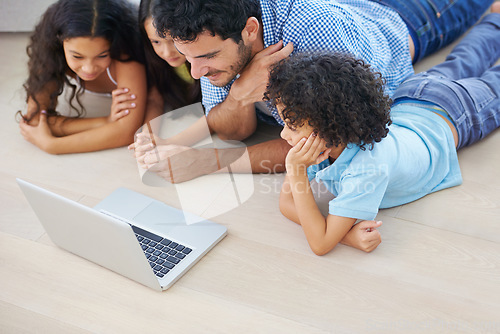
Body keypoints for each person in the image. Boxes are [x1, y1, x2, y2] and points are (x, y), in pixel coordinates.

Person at [131, 0, 493, 183]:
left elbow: (319, 146)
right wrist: (241, 93)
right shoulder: (211, 45)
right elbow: (234, 130)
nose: (196, 72)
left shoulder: (313, 39)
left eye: (207, 57)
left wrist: (206, 163)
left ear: (250, 30)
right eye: (188, 60)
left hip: (407, 19)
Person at [263, 8, 500, 255]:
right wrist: (345, 236)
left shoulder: (366, 168)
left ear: (328, 124)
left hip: (453, 112)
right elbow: (287, 204)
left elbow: (320, 243)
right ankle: (495, 18)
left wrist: (297, 172)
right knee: (466, 58)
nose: (283, 135)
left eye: (291, 125)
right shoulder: (328, 141)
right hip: (412, 95)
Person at [17, 0, 147, 154]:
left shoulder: (125, 58)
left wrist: (52, 145)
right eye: (77, 57)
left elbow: (126, 131)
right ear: (59, 42)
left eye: (102, 55)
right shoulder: (52, 57)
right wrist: (106, 121)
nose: (89, 68)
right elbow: (35, 120)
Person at [137, 0, 201, 123]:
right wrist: (148, 133)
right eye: (156, 42)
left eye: (173, 41)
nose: (167, 53)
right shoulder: (154, 61)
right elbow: (155, 98)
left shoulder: (208, 61)